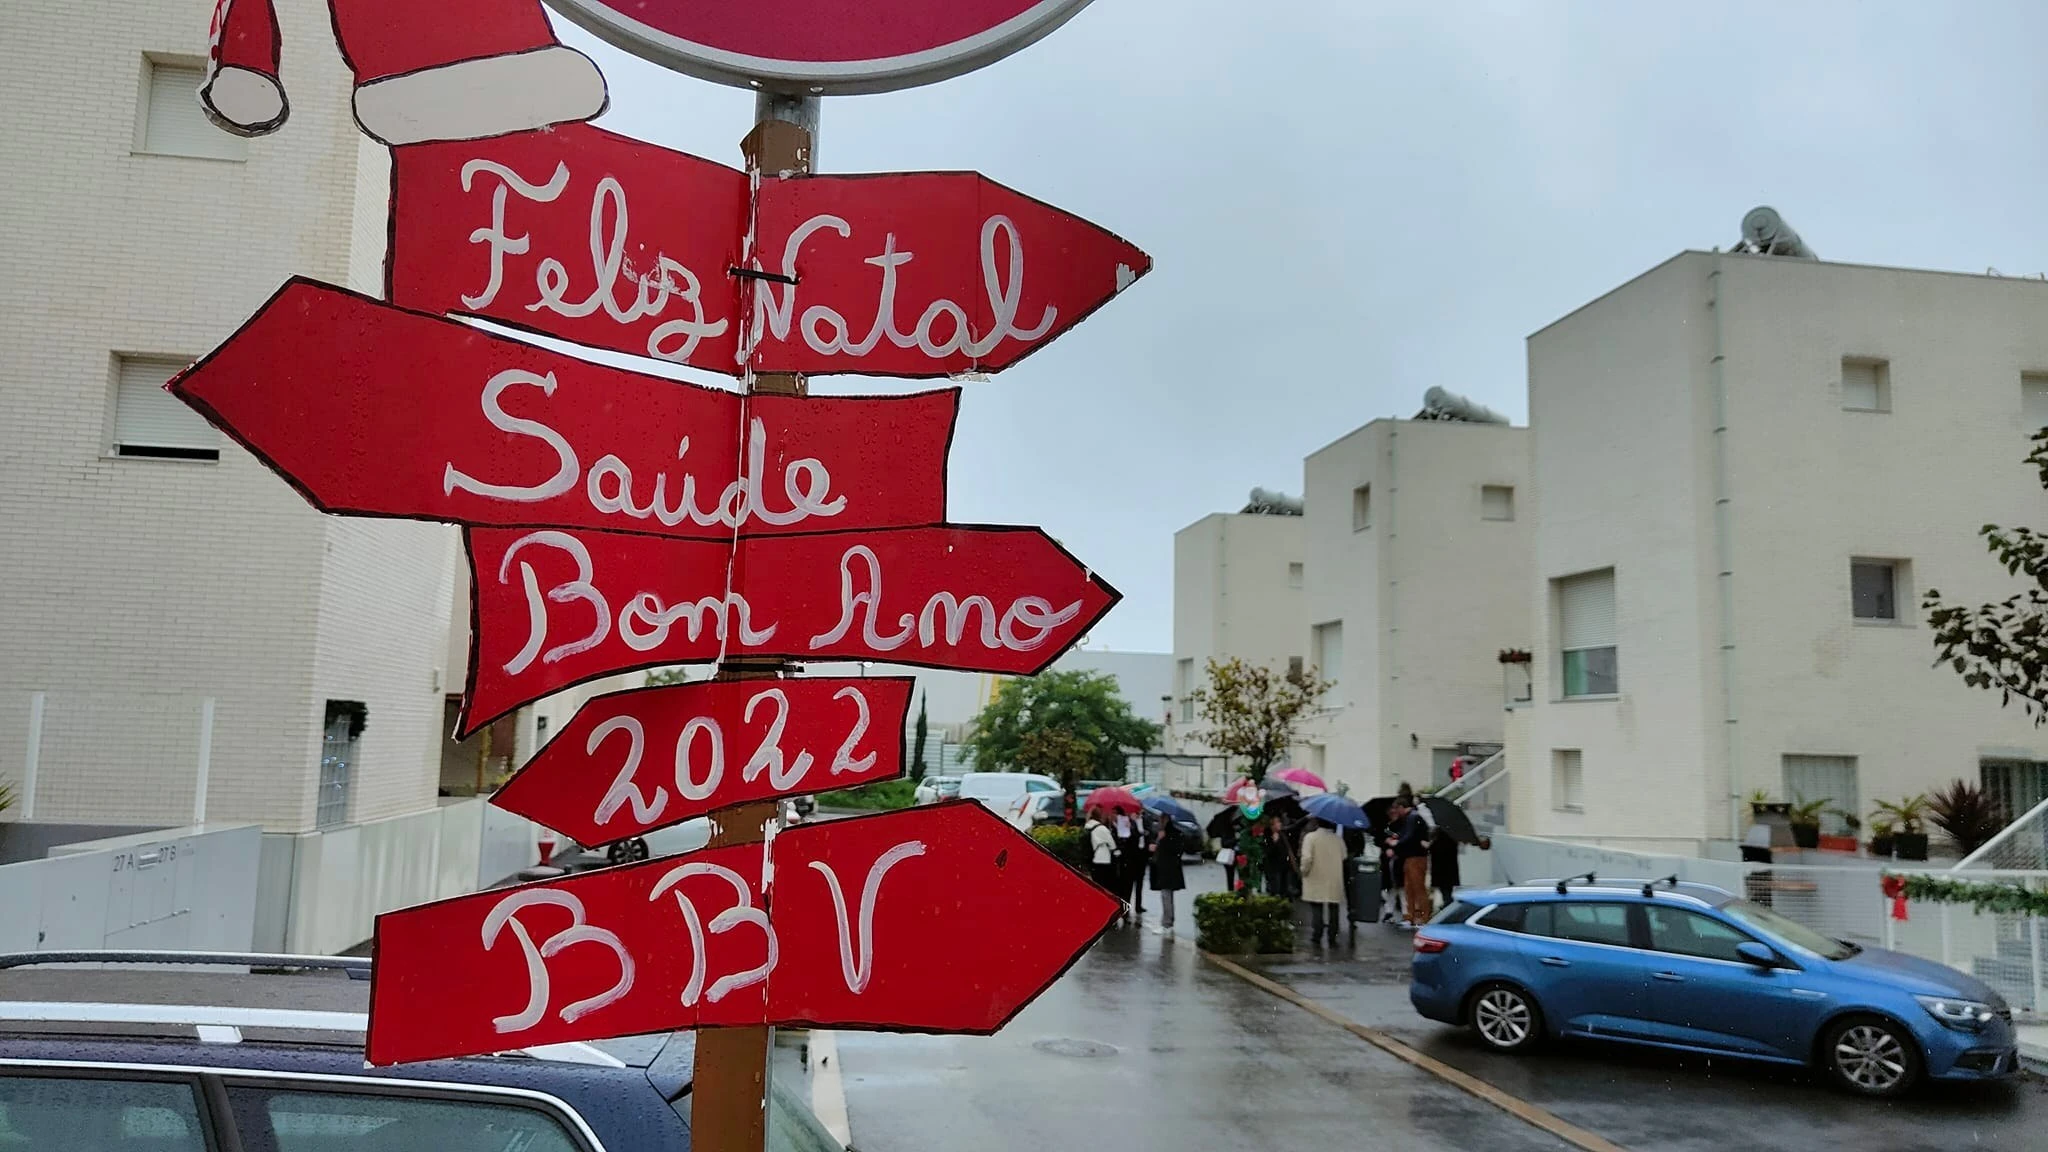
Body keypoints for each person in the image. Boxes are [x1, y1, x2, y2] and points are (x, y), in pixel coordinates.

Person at [1297, 817, 1345, 947]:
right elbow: (1344, 856)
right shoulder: (1338, 839)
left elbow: (1306, 858)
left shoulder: (1310, 837)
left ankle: (1317, 934)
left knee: (1316, 905)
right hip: (1334, 877)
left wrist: (1303, 871)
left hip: (1315, 875)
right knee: (1333, 907)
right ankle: (1332, 935)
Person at [1386, 798, 1432, 927]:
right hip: (1412, 857)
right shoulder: (1412, 817)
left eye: (1397, 809)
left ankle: (1422, 917)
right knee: (1410, 888)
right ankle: (1412, 917)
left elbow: (1409, 836)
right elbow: (1407, 834)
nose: (1396, 812)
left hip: (1415, 858)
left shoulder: (1412, 817)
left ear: (1401, 807)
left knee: (1416, 888)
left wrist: (1396, 843)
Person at [1148, 814, 1186, 929]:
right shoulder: (1161, 833)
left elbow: (1175, 849)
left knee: (1166, 894)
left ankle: (1167, 921)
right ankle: (1168, 918)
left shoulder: (1172, 834)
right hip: (1165, 868)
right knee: (1167, 894)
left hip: (1167, 869)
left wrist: (1162, 840)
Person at [1086, 810, 1122, 923]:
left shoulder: (1087, 827)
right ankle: (1107, 914)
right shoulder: (1102, 829)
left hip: (1094, 860)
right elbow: (1112, 845)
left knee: (1098, 887)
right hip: (1105, 860)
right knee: (1108, 888)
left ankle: (1097, 911)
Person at [1207, 807, 1241, 891]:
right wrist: (1235, 839)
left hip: (1240, 852)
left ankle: (1240, 891)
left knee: (1242, 875)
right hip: (1229, 853)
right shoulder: (1224, 824)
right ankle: (1231, 891)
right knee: (1230, 875)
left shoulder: (1240, 822)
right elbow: (1225, 842)